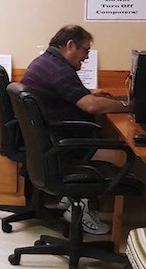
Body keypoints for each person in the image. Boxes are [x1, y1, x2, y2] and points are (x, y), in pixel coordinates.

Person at [20, 25, 130, 235]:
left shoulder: (46, 62)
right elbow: (92, 106)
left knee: (105, 140)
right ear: (71, 45)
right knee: (119, 156)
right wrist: (129, 106)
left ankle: (72, 198)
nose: (87, 57)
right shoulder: (59, 70)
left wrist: (88, 92)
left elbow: (60, 92)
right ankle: (82, 208)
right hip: (60, 142)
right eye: (85, 50)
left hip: (48, 139)